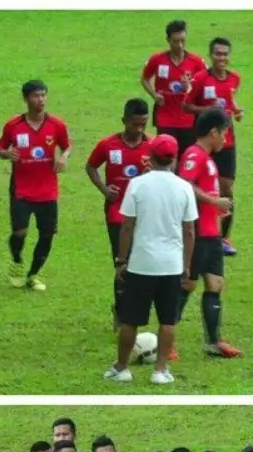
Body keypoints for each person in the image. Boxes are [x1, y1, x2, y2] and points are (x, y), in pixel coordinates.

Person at [105, 133, 196, 384]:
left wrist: (121, 260)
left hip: (141, 263)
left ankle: (122, 368)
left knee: (130, 320)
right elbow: (189, 231)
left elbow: (126, 226)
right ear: (174, 158)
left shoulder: (137, 185)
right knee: (168, 320)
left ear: (150, 157)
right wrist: (186, 266)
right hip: (171, 265)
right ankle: (160, 370)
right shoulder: (184, 187)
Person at [177, 109, 243, 358]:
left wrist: (216, 210)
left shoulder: (208, 158)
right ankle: (167, 340)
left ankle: (214, 342)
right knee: (188, 283)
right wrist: (214, 202)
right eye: (224, 133)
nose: (226, 139)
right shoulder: (194, 154)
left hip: (212, 232)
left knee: (215, 284)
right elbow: (184, 183)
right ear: (213, 132)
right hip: (197, 232)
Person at [87, 99, 156, 326]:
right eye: (135, 124)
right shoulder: (108, 145)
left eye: (144, 123)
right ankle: (121, 310)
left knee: (143, 262)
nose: (139, 128)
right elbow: (91, 166)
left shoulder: (152, 146)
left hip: (145, 212)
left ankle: (133, 307)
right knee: (122, 262)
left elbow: (167, 174)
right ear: (124, 120)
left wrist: (151, 174)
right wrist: (104, 189)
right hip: (117, 211)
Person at [0, 80, 70, 290]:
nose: (41, 100)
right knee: (19, 232)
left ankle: (33, 274)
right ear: (26, 99)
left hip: (47, 190)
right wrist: (6, 153)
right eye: (36, 96)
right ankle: (17, 260)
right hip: (21, 189)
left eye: (43, 95)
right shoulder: (14, 126)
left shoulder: (56, 125)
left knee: (47, 234)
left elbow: (67, 146)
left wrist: (63, 157)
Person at [183, 38, 243, 255]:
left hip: (227, 141)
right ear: (211, 55)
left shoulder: (235, 78)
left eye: (225, 54)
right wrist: (208, 112)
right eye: (218, 54)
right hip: (207, 141)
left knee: (226, 188)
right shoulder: (200, 79)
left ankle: (224, 237)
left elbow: (230, 99)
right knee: (203, 185)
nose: (222, 58)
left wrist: (236, 111)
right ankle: (199, 231)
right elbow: (186, 105)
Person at [142, 19, 207, 154]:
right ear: (168, 40)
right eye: (175, 41)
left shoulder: (196, 62)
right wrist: (154, 94)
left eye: (183, 41)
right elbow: (145, 78)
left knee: (185, 155)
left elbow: (205, 86)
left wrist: (189, 87)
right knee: (166, 155)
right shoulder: (157, 60)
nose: (180, 45)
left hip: (187, 119)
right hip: (164, 117)